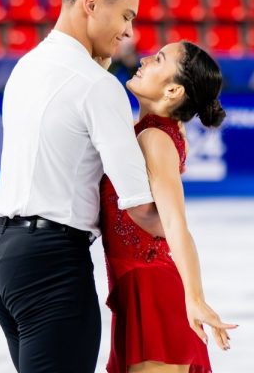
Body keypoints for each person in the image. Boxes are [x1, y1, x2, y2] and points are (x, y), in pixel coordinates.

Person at [0, 0, 162, 373]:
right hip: (51, 266)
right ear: (92, 3)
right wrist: (188, 262)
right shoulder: (98, 87)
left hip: (1, 256)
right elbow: (140, 207)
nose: (130, 33)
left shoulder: (27, 66)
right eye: (126, 17)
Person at [101, 41, 236, 373]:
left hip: (151, 290)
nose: (145, 59)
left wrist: (195, 297)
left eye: (158, 59)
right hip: (139, 287)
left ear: (173, 90)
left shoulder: (155, 139)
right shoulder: (159, 130)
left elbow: (176, 224)